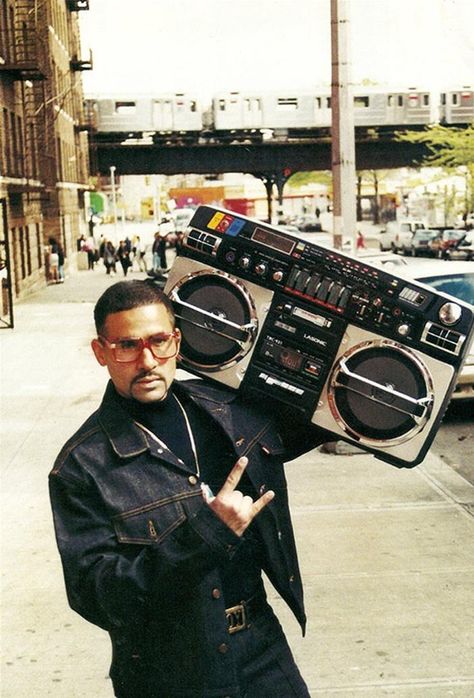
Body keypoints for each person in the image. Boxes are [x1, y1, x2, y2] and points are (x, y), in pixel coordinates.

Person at [49, 280, 327, 697]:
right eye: (128, 346)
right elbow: (101, 597)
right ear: (101, 352)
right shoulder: (82, 466)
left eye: (159, 341)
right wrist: (207, 533)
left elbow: (326, 407)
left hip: (262, 653)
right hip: (165, 672)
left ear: (177, 341)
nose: (147, 361)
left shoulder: (227, 410)